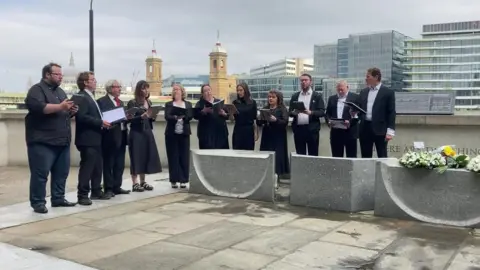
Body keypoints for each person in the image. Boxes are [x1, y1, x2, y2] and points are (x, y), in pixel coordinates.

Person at [24, 63, 78, 214]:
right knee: (40, 174)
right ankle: (38, 202)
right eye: (57, 74)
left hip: (62, 140)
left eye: (61, 74)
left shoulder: (60, 92)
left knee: (62, 173)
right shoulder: (36, 90)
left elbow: (63, 111)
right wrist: (61, 107)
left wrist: (71, 111)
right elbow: (39, 108)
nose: (61, 76)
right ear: (47, 75)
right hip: (43, 141)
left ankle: (58, 198)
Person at [75, 71, 111, 205]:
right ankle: (82, 194)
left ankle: (96, 191)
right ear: (85, 82)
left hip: (96, 137)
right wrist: (100, 122)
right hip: (87, 138)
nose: (95, 82)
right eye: (93, 79)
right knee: (87, 167)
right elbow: (82, 116)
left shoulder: (91, 97)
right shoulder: (81, 97)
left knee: (97, 166)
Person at [97, 79, 131, 197]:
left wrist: (128, 117)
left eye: (120, 87)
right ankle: (108, 188)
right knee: (109, 163)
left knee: (119, 163)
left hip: (122, 135)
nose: (119, 89)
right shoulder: (102, 101)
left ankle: (117, 186)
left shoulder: (121, 102)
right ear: (110, 88)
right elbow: (103, 117)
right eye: (117, 87)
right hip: (110, 137)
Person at [127, 80, 162, 192]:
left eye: (147, 88)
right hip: (136, 132)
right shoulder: (132, 102)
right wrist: (141, 117)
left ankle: (143, 181)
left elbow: (150, 119)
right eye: (143, 88)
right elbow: (129, 119)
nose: (146, 90)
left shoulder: (149, 102)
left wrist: (152, 116)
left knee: (145, 156)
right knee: (136, 156)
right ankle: (135, 182)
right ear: (138, 90)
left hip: (147, 132)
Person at [357, 68, 396, 158]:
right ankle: (366, 172)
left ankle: (382, 172)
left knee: (382, 155)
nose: (366, 79)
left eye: (368, 76)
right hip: (365, 128)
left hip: (380, 129)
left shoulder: (388, 92)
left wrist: (390, 131)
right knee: (365, 156)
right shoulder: (364, 91)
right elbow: (359, 108)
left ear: (376, 77)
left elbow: (391, 112)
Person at [288, 73, 325, 156]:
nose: (303, 82)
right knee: (300, 154)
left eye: (305, 80)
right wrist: (294, 113)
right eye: (301, 80)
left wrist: (311, 112)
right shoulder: (295, 96)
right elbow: (290, 112)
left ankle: (313, 169)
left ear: (310, 82)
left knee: (313, 154)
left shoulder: (317, 96)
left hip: (312, 129)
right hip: (298, 130)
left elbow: (322, 112)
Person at [164, 84, 193, 189]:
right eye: (174, 89)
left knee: (184, 156)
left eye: (177, 89)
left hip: (184, 133)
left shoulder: (188, 104)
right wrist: (175, 117)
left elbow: (190, 116)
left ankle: (183, 180)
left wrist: (184, 117)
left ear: (182, 91)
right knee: (173, 156)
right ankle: (174, 180)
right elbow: (167, 116)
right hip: (172, 134)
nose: (175, 91)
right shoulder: (169, 104)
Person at [257, 90, 290, 180]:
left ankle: (277, 177)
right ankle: (266, 177)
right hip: (267, 136)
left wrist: (276, 120)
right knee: (266, 154)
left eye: (273, 97)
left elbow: (285, 122)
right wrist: (260, 118)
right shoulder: (265, 108)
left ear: (278, 98)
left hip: (278, 137)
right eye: (269, 97)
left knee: (277, 156)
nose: (270, 99)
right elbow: (259, 123)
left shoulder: (282, 109)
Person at [325, 81, 360, 158]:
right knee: (336, 157)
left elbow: (359, 114)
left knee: (351, 157)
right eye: (338, 90)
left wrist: (350, 122)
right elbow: (327, 113)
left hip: (350, 132)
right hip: (336, 133)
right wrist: (329, 121)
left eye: (342, 90)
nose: (340, 91)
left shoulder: (355, 97)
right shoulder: (332, 98)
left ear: (347, 88)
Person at [193, 84, 229, 149]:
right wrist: (203, 111)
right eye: (205, 91)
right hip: (206, 134)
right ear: (202, 94)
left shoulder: (218, 101)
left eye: (209, 90)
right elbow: (195, 116)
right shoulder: (200, 103)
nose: (208, 92)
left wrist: (224, 114)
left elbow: (228, 115)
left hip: (220, 133)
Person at [232, 82, 258, 150]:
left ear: (245, 91)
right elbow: (232, 119)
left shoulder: (253, 102)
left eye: (241, 90)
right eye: (238, 90)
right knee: (237, 151)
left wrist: (256, 132)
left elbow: (255, 119)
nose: (239, 92)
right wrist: (230, 113)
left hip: (249, 131)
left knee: (249, 152)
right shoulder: (235, 103)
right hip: (238, 130)